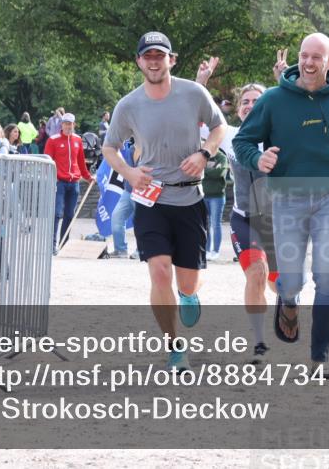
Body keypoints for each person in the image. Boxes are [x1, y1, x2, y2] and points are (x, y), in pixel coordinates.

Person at [233, 33, 329, 376]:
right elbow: (243, 140)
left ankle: (320, 356)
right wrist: (258, 158)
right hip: (287, 196)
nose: (309, 62)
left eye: (317, 56)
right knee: (290, 281)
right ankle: (288, 301)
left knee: (326, 275)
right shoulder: (273, 100)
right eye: (304, 55)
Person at [103, 32, 226, 372]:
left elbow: (219, 127)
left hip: (190, 197)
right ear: (139, 61)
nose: (154, 61)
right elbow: (109, 147)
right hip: (150, 199)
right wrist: (128, 173)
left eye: (160, 55)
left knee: (186, 282)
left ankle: (188, 294)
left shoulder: (194, 92)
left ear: (172, 60)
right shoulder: (128, 105)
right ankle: (175, 347)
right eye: (148, 56)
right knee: (159, 273)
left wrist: (204, 154)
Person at [221, 82, 279, 360]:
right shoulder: (229, 136)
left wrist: (283, 82)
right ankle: (259, 339)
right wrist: (202, 83)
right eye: (245, 101)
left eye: (257, 100)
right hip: (244, 218)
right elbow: (196, 118)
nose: (250, 105)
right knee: (256, 273)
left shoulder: (280, 135)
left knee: (279, 284)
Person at [44, 113, 93, 250]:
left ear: (74, 125)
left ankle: (63, 244)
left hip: (74, 182)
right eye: (65, 123)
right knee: (57, 213)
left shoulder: (77, 140)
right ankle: (52, 245)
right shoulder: (53, 140)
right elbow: (47, 162)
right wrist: (49, 179)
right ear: (61, 124)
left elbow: (81, 162)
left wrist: (88, 177)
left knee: (70, 215)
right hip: (59, 181)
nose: (68, 126)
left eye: (70, 123)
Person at [109, 138, 139, 259]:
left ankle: (141, 250)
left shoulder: (152, 149)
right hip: (128, 191)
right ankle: (120, 250)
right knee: (116, 217)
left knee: (141, 222)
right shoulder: (131, 148)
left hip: (144, 193)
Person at [202, 146, 229, 261]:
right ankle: (207, 250)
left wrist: (205, 170)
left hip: (217, 196)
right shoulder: (202, 156)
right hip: (203, 195)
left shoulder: (222, 157)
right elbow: (197, 170)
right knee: (205, 224)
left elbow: (220, 173)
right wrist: (211, 169)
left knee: (215, 224)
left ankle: (216, 251)